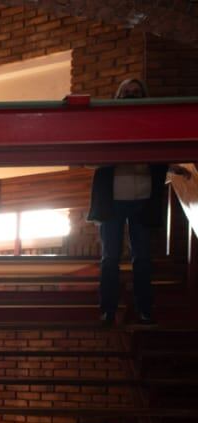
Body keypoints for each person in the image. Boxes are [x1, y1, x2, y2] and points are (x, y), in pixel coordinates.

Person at [88, 77, 168, 326]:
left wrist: (174, 166)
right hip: (112, 200)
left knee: (142, 258)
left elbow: (162, 153)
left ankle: (145, 309)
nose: (132, 95)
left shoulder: (152, 122)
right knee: (110, 258)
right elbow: (92, 157)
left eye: (136, 92)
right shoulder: (106, 123)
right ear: (118, 96)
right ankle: (108, 310)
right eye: (127, 92)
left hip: (142, 197)